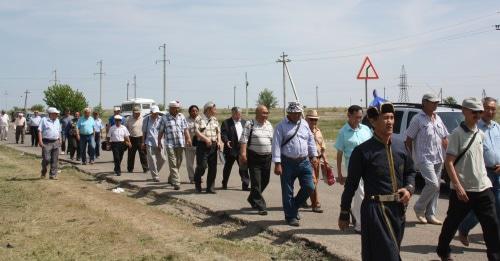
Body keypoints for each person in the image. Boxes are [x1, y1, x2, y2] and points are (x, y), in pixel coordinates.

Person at [338, 102, 416, 261]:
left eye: (392, 118)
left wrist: (409, 189)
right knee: (389, 256)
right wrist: (344, 212)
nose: (390, 122)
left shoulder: (401, 147)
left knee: (386, 252)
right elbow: (351, 185)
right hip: (375, 211)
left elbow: (411, 172)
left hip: (398, 210)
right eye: (385, 118)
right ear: (373, 122)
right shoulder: (362, 151)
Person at [436, 97, 500, 261]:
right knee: (452, 223)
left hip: (483, 187)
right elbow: (449, 162)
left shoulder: (480, 133)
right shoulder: (456, 134)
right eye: (474, 111)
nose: (477, 115)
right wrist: (458, 187)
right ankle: (443, 251)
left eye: (479, 112)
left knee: (492, 224)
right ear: (464, 111)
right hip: (463, 190)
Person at [457, 97, 500, 246]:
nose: (490, 111)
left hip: (498, 173)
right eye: (487, 108)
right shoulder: (475, 127)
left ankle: (495, 242)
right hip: (483, 174)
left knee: (498, 206)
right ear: (481, 109)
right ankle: (463, 227)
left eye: (493, 109)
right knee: (480, 209)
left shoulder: (497, 127)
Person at [271, 101, 318, 227]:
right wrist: (277, 163)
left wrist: (313, 155)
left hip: (304, 161)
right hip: (287, 162)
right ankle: (290, 216)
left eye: (299, 113)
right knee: (287, 191)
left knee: (309, 187)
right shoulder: (281, 126)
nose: (298, 116)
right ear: (289, 113)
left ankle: (293, 208)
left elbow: (310, 140)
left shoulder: (304, 124)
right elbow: (276, 145)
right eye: (295, 113)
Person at [405, 93, 449, 225]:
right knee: (433, 184)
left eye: (437, 102)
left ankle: (430, 214)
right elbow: (408, 139)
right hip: (424, 158)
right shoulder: (417, 119)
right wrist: (411, 158)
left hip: (438, 157)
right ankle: (419, 208)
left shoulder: (438, 118)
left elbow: (444, 138)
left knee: (437, 187)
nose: (435, 104)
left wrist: (448, 156)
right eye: (433, 102)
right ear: (424, 102)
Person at [334, 105, 372, 232]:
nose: (358, 120)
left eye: (360, 117)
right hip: (354, 169)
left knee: (367, 195)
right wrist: (339, 173)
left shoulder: (366, 129)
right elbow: (339, 155)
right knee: (359, 195)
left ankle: (363, 219)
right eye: (356, 117)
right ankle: (360, 225)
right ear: (349, 116)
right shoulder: (343, 133)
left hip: (369, 168)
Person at [240, 105, 273, 215]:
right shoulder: (250, 124)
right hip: (254, 157)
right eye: (263, 113)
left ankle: (252, 198)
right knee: (256, 182)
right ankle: (261, 206)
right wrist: (243, 153)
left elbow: (272, 140)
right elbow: (244, 140)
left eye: (267, 113)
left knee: (265, 180)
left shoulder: (269, 125)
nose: (266, 115)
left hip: (267, 157)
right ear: (257, 113)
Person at [158, 101, 191, 190]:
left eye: (178, 108)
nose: (177, 109)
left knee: (178, 162)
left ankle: (171, 178)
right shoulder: (164, 118)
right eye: (175, 108)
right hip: (170, 144)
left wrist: (188, 138)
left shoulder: (181, 116)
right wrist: (159, 142)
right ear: (171, 108)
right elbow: (160, 131)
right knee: (173, 163)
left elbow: (185, 129)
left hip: (180, 143)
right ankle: (176, 182)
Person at [194, 101, 223, 193]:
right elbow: (197, 132)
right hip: (202, 145)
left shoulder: (215, 119)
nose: (215, 110)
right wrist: (206, 139)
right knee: (202, 166)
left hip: (213, 146)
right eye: (214, 108)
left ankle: (210, 187)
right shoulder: (199, 119)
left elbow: (218, 131)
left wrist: (219, 141)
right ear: (209, 109)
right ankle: (197, 182)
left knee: (213, 167)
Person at [221, 107, 250, 190]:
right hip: (231, 149)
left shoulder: (245, 122)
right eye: (237, 114)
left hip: (242, 149)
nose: (239, 116)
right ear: (233, 113)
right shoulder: (226, 123)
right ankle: (224, 183)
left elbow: (248, 134)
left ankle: (245, 185)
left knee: (243, 168)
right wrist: (226, 141)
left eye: (240, 114)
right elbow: (223, 134)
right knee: (228, 167)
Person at [305, 109, 326, 213]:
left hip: (317, 159)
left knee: (314, 182)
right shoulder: (303, 131)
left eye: (315, 120)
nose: (313, 122)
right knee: (312, 181)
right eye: (311, 119)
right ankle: (315, 203)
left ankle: (302, 199)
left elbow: (322, 146)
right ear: (306, 119)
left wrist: (325, 161)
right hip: (306, 159)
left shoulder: (318, 131)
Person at [142, 106, 165, 182]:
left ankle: (155, 172)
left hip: (160, 142)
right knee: (152, 159)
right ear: (151, 112)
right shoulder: (146, 119)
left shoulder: (161, 119)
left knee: (162, 159)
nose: (155, 114)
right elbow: (144, 132)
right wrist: (143, 142)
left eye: (157, 113)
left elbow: (164, 131)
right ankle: (155, 176)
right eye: (154, 113)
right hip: (149, 142)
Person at [38, 107, 61, 179]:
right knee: (46, 159)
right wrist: (40, 141)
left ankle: (52, 175)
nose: (57, 115)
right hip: (46, 142)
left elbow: (59, 131)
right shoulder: (44, 120)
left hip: (56, 142)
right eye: (56, 114)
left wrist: (60, 139)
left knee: (55, 159)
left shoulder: (57, 121)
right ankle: (44, 171)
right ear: (51, 114)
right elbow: (40, 131)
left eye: (57, 114)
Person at [125, 106, 148, 173]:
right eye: (136, 113)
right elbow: (126, 130)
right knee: (131, 155)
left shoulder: (143, 119)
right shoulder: (129, 119)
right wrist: (127, 140)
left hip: (141, 138)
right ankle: (130, 169)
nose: (137, 114)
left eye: (138, 113)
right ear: (133, 112)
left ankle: (145, 168)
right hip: (131, 138)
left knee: (143, 154)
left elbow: (145, 130)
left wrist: (144, 141)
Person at [185, 105, 201, 183]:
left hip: (200, 144)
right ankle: (192, 177)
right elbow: (184, 131)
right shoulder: (186, 120)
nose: (194, 112)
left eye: (196, 111)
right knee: (190, 163)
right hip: (189, 144)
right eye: (193, 111)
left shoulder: (201, 119)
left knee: (200, 162)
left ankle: (198, 176)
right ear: (189, 112)